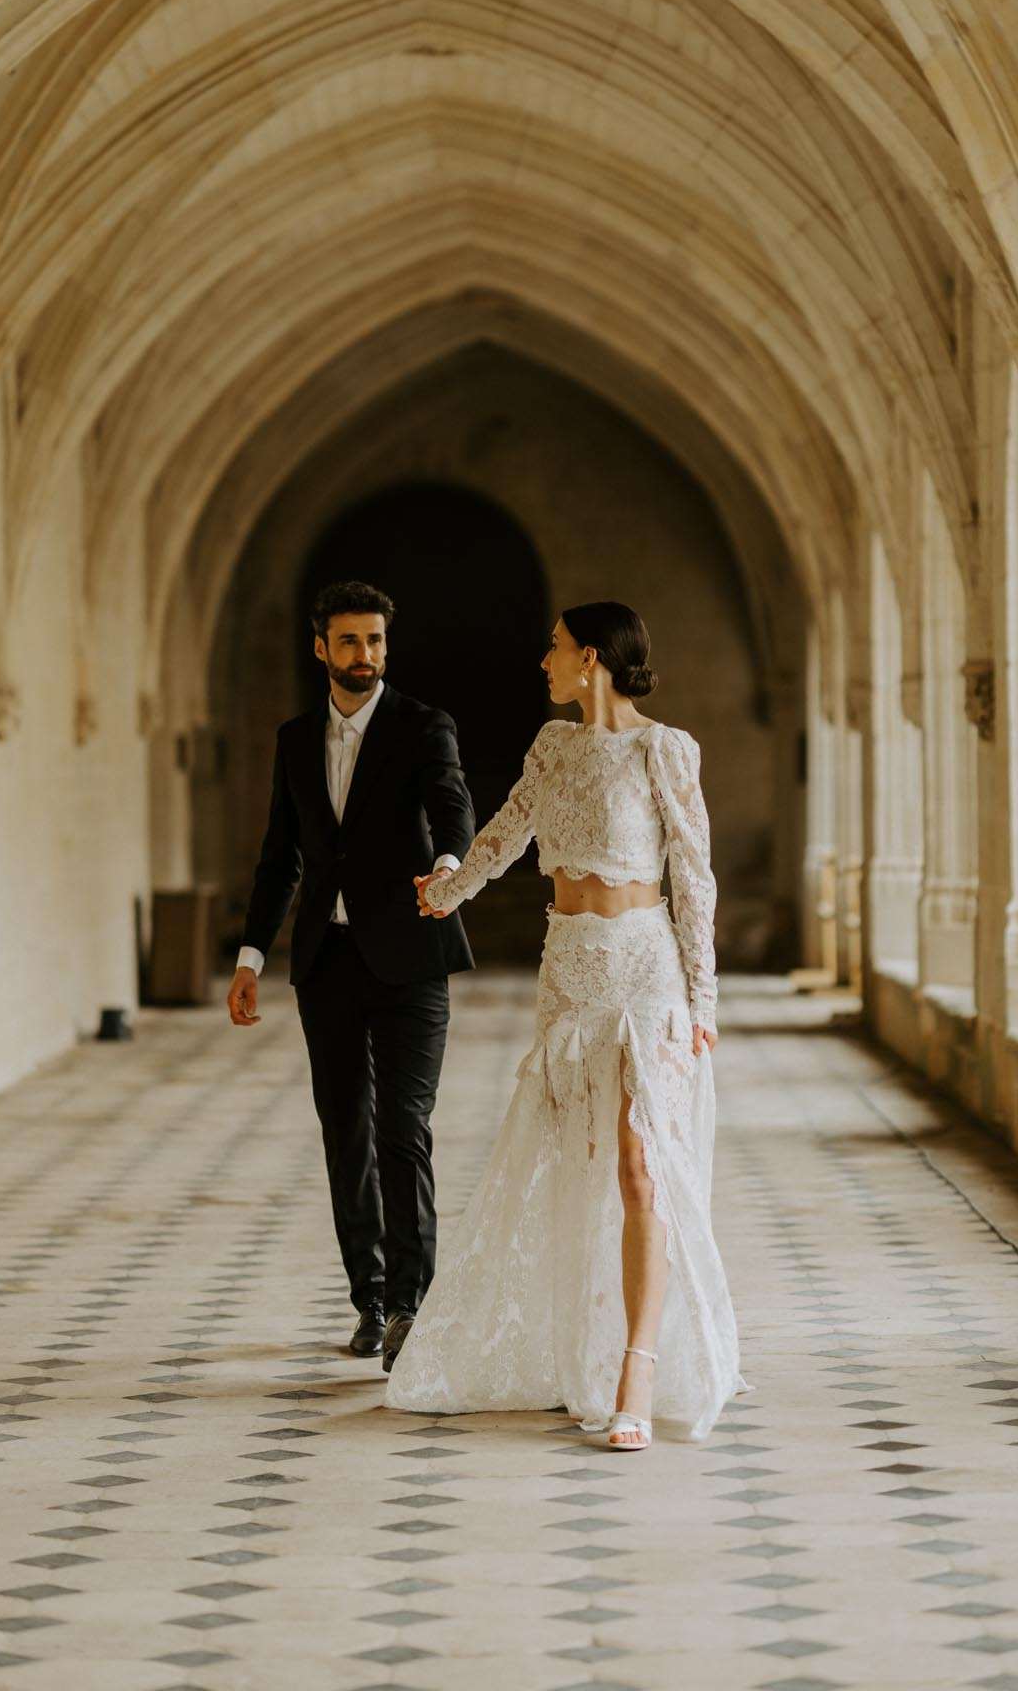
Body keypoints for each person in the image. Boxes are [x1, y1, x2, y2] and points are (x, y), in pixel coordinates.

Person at [386, 601, 744, 1450]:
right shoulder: (552, 745)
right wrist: (447, 890)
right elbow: (509, 831)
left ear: (590, 657)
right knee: (579, 1162)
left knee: (639, 1164)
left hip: (645, 971)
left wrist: (703, 1002)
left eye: (551, 648)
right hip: (571, 971)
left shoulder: (665, 749)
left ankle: (638, 1372)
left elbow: (693, 879)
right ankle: (579, 1344)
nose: (540, 661)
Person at [226, 581, 476, 1373]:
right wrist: (250, 957)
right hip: (325, 965)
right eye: (348, 642)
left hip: (411, 958)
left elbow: (452, 807)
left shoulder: (422, 725)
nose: (363, 656)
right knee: (346, 1134)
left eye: (374, 642)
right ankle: (368, 1298)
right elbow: (280, 857)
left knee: (402, 1129)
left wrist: (446, 867)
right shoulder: (295, 739)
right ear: (320, 649)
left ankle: (411, 1303)